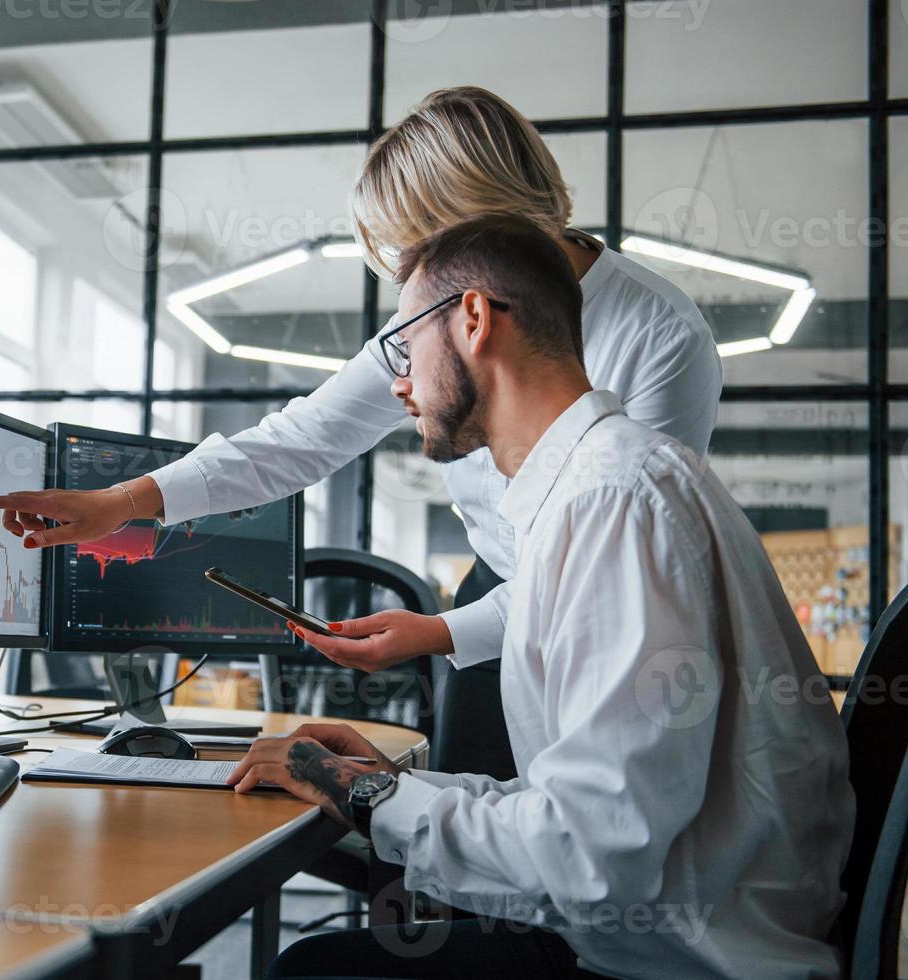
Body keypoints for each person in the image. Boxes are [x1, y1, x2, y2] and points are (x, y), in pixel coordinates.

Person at [0, 86, 723, 780]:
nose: (405, 302)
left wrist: (437, 639)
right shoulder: (428, 315)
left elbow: (611, 565)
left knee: (567, 839)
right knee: (480, 828)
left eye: (415, 257)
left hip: (600, 603)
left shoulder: (657, 335)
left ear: (473, 281)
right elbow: (298, 440)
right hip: (498, 581)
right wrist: (127, 501)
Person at [227, 214, 853, 979]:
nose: (398, 384)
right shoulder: (597, 490)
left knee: (311, 973)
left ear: (473, 320)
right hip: (653, 934)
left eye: (404, 347)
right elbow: (589, 807)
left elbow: (589, 855)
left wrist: (360, 792)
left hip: (672, 961)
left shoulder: (612, 503)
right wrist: (404, 787)